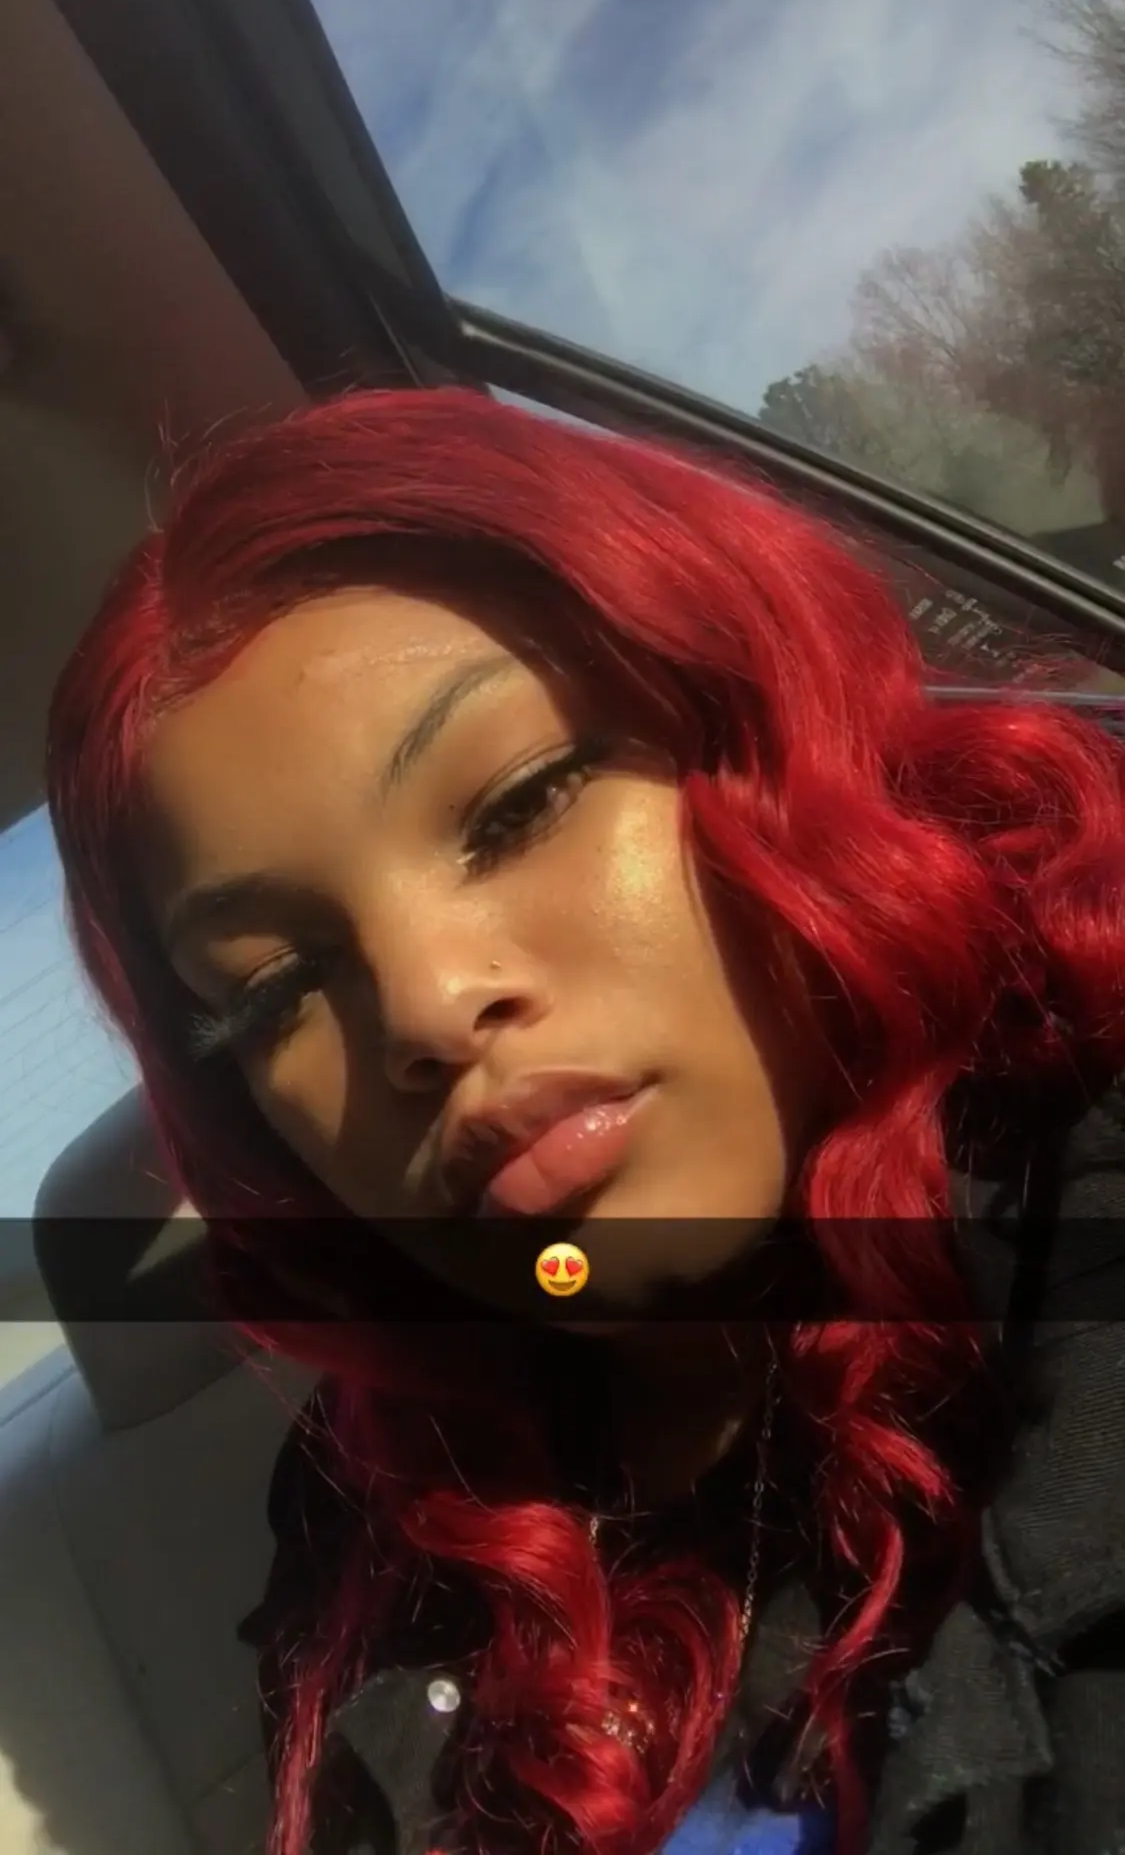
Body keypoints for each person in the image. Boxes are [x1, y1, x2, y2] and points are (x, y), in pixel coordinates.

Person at [44, 388, 1125, 1855]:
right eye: (277, 988)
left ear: (752, 721)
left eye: (522, 803)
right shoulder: (383, 1536)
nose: (425, 1011)